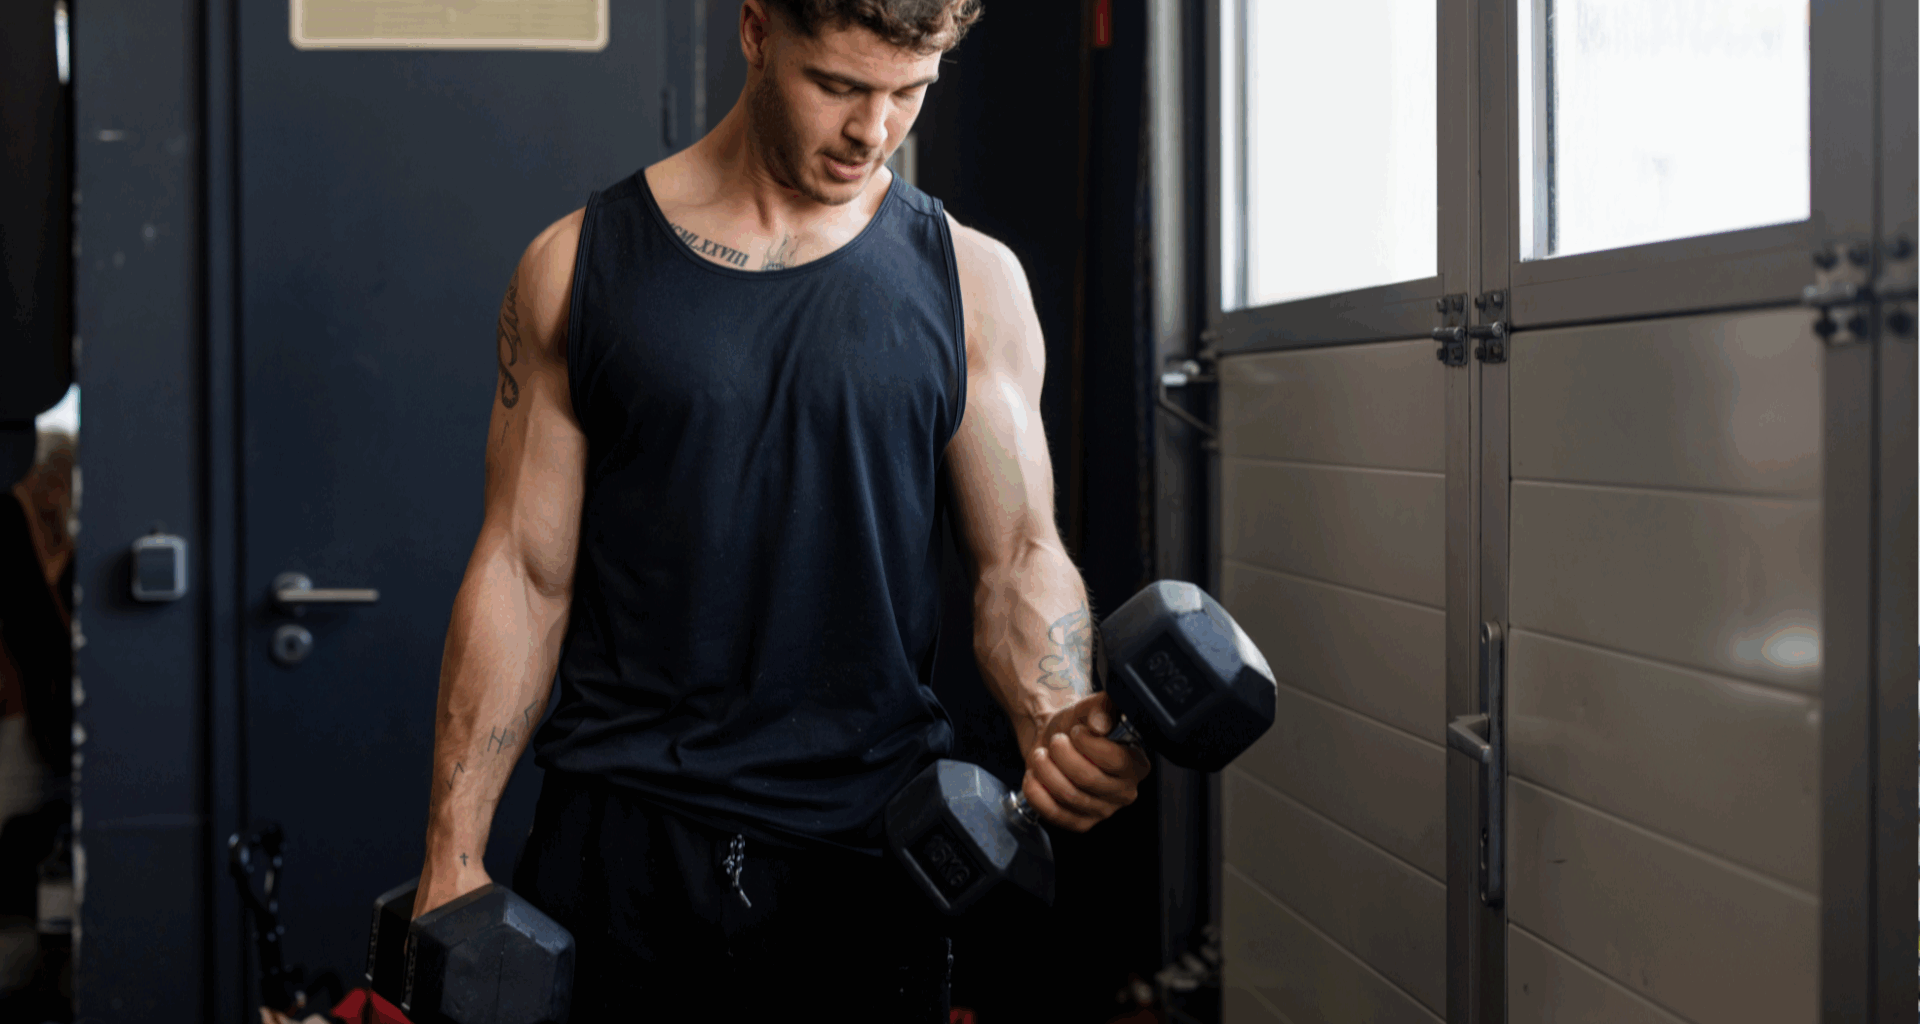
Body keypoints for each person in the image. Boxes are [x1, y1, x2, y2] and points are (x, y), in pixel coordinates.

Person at [410, 0, 1150, 1018]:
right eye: (839, 86)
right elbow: (523, 576)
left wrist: (1055, 717)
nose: (873, 131)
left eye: (909, 92)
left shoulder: (972, 282)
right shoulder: (578, 267)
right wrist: (452, 854)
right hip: (623, 841)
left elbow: (1019, 554)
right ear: (757, 32)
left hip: (868, 852)